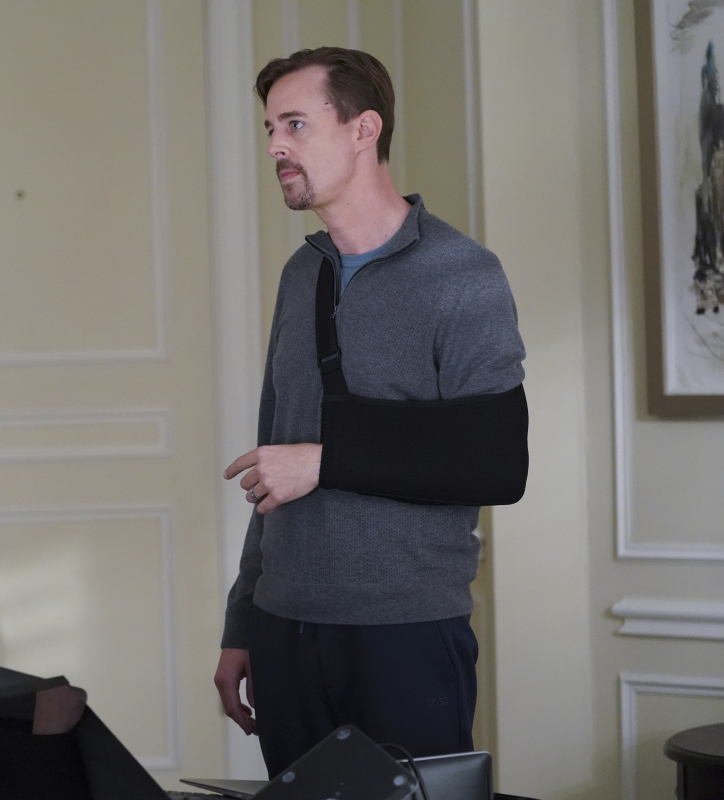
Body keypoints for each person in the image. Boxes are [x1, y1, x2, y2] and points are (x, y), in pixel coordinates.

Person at [213, 47, 528, 776]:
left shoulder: (463, 275)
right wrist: (242, 621)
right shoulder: (303, 274)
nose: (275, 146)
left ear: (364, 129)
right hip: (283, 630)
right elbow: (273, 460)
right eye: (270, 128)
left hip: (405, 636)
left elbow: (497, 461)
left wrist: (326, 462)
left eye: (295, 124)